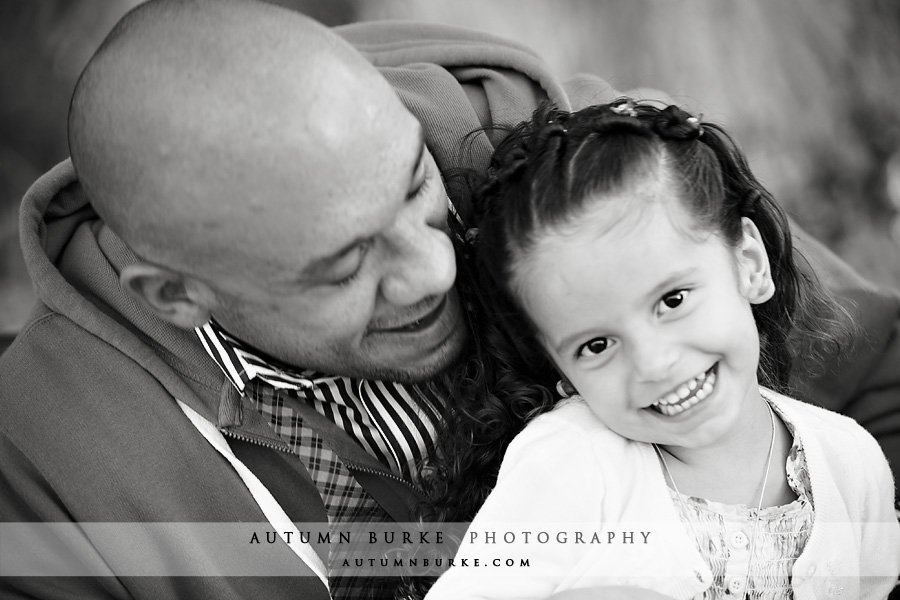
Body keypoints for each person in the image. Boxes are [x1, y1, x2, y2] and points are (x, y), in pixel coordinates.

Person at [0, 0, 897, 598]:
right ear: (178, 292)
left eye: (412, 185)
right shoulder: (49, 473)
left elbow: (875, 370)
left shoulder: (569, 176)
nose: (435, 267)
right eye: (346, 265)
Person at [424, 100, 900, 600]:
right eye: (597, 344)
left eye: (672, 301)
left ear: (749, 263)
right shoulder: (573, 465)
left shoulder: (850, 461)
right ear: (559, 368)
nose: (653, 363)